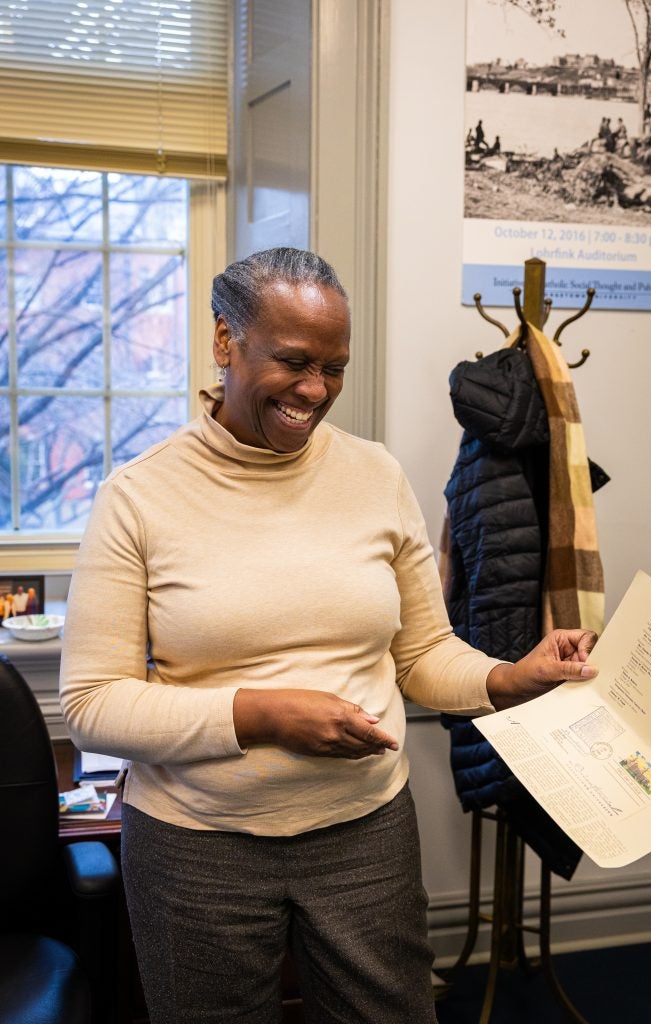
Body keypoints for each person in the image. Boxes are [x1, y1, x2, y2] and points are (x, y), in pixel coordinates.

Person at [60, 247, 598, 1024]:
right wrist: (265, 716)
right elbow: (93, 704)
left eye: (335, 368)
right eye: (293, 361)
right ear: (224, 340)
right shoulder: (138, 497)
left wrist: (510, 677)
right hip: (197, 844)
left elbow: (420, 654)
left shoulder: (374, 475)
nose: (315, 391)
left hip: (364, 831)